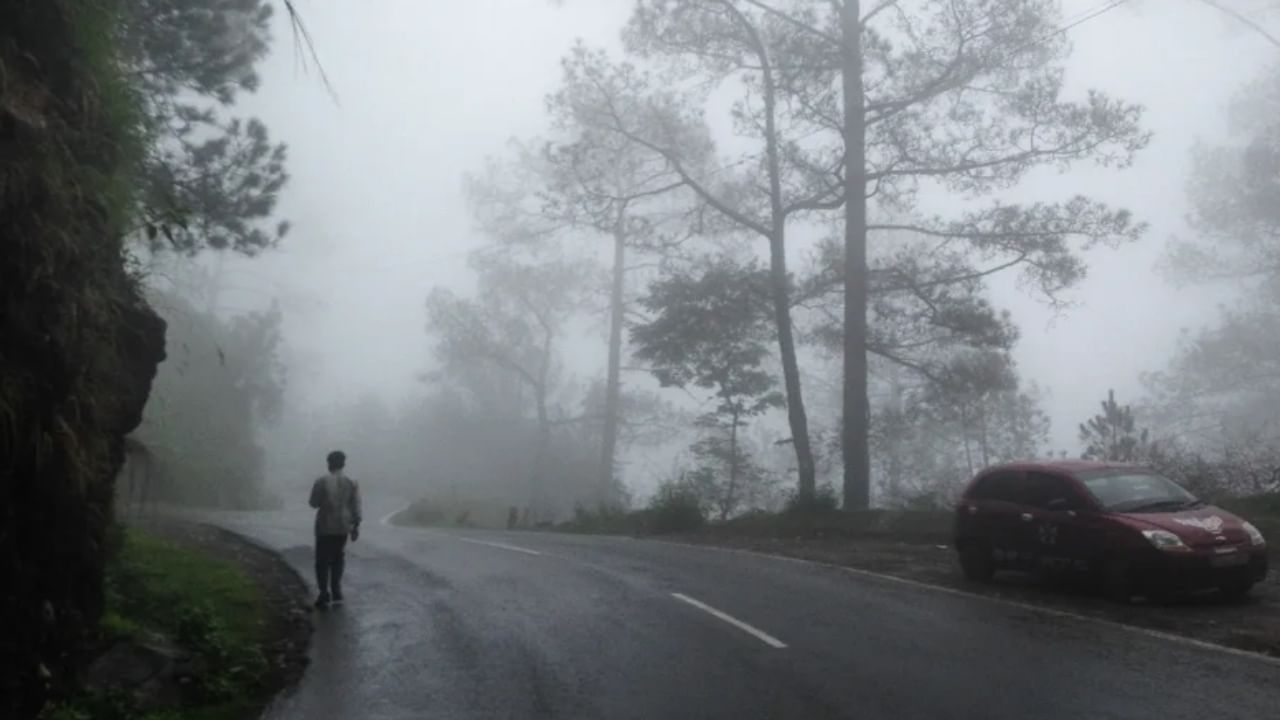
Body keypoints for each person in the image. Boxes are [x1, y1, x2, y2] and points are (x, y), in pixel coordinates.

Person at [309, 450, 362, 609]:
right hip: (343, 526)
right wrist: (355, 526)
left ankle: (324, 593)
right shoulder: (352, 482)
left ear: (329, 463)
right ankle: (336, 589)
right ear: (343, 463)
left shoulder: (321, 481)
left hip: (325, 525)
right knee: (338, 557)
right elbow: (356, 506)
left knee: (322, 560)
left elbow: (313, 503)